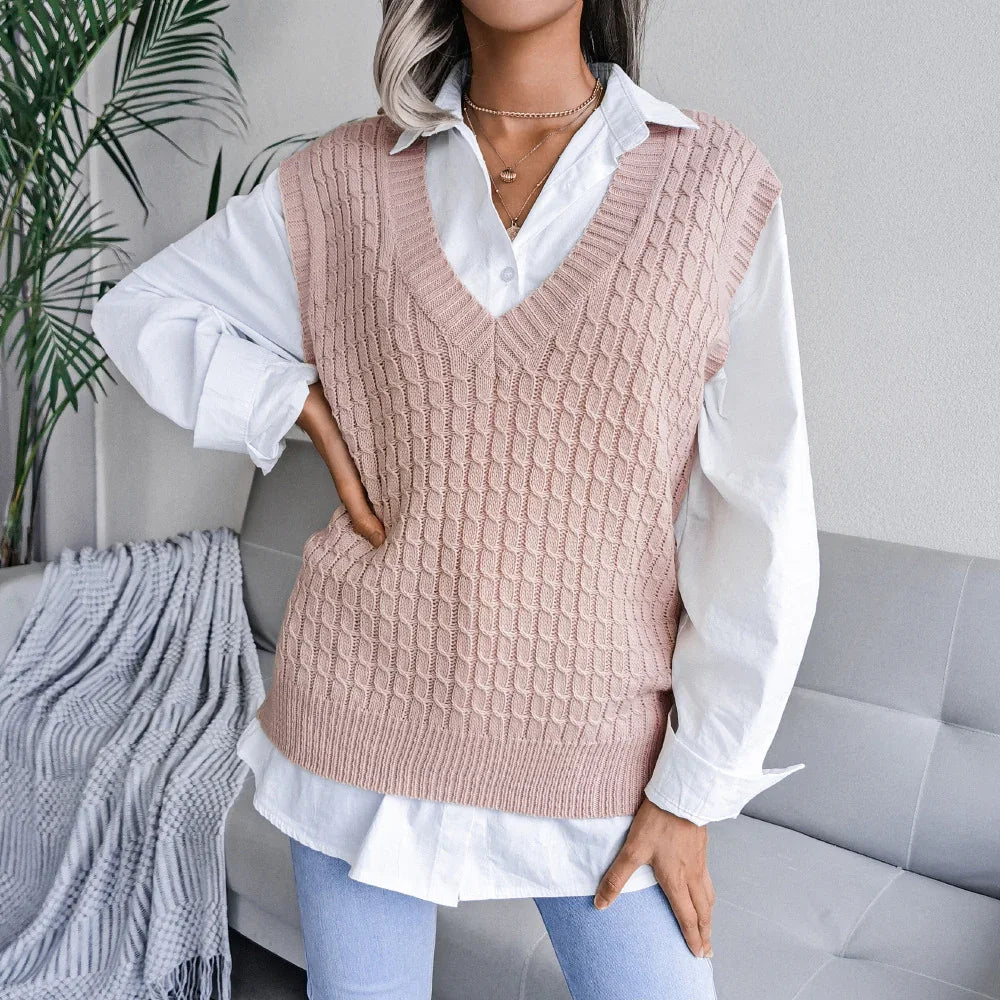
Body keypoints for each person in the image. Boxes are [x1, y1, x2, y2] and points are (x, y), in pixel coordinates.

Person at [91, 2, 820, 997]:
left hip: (599, 750)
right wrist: (292, 399)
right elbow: (142, 312)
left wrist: (693, 785)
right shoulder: (346, 182)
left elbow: (760, 511)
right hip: (362, 719)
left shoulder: (710, 185)